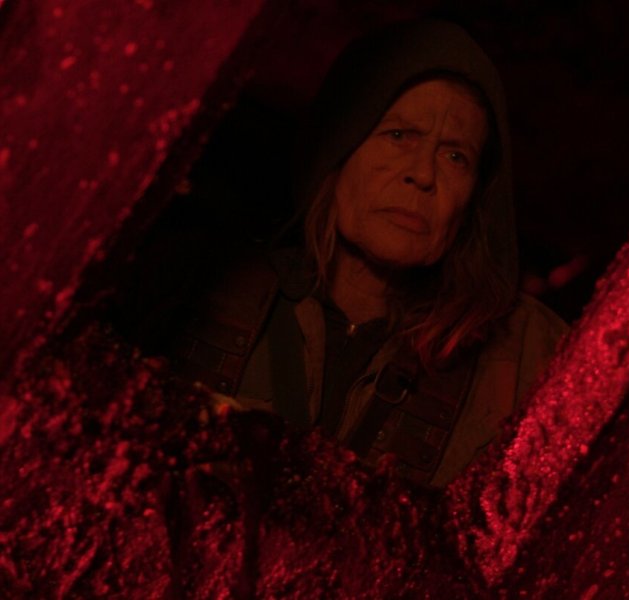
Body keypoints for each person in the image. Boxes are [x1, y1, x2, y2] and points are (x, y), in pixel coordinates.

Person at [168, 20, 567, 487]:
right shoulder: (193, 278)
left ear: (474, 197)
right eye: (399, 135)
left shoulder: (528, 356)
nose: (423, 174)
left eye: (455, 156)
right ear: (339, 147)